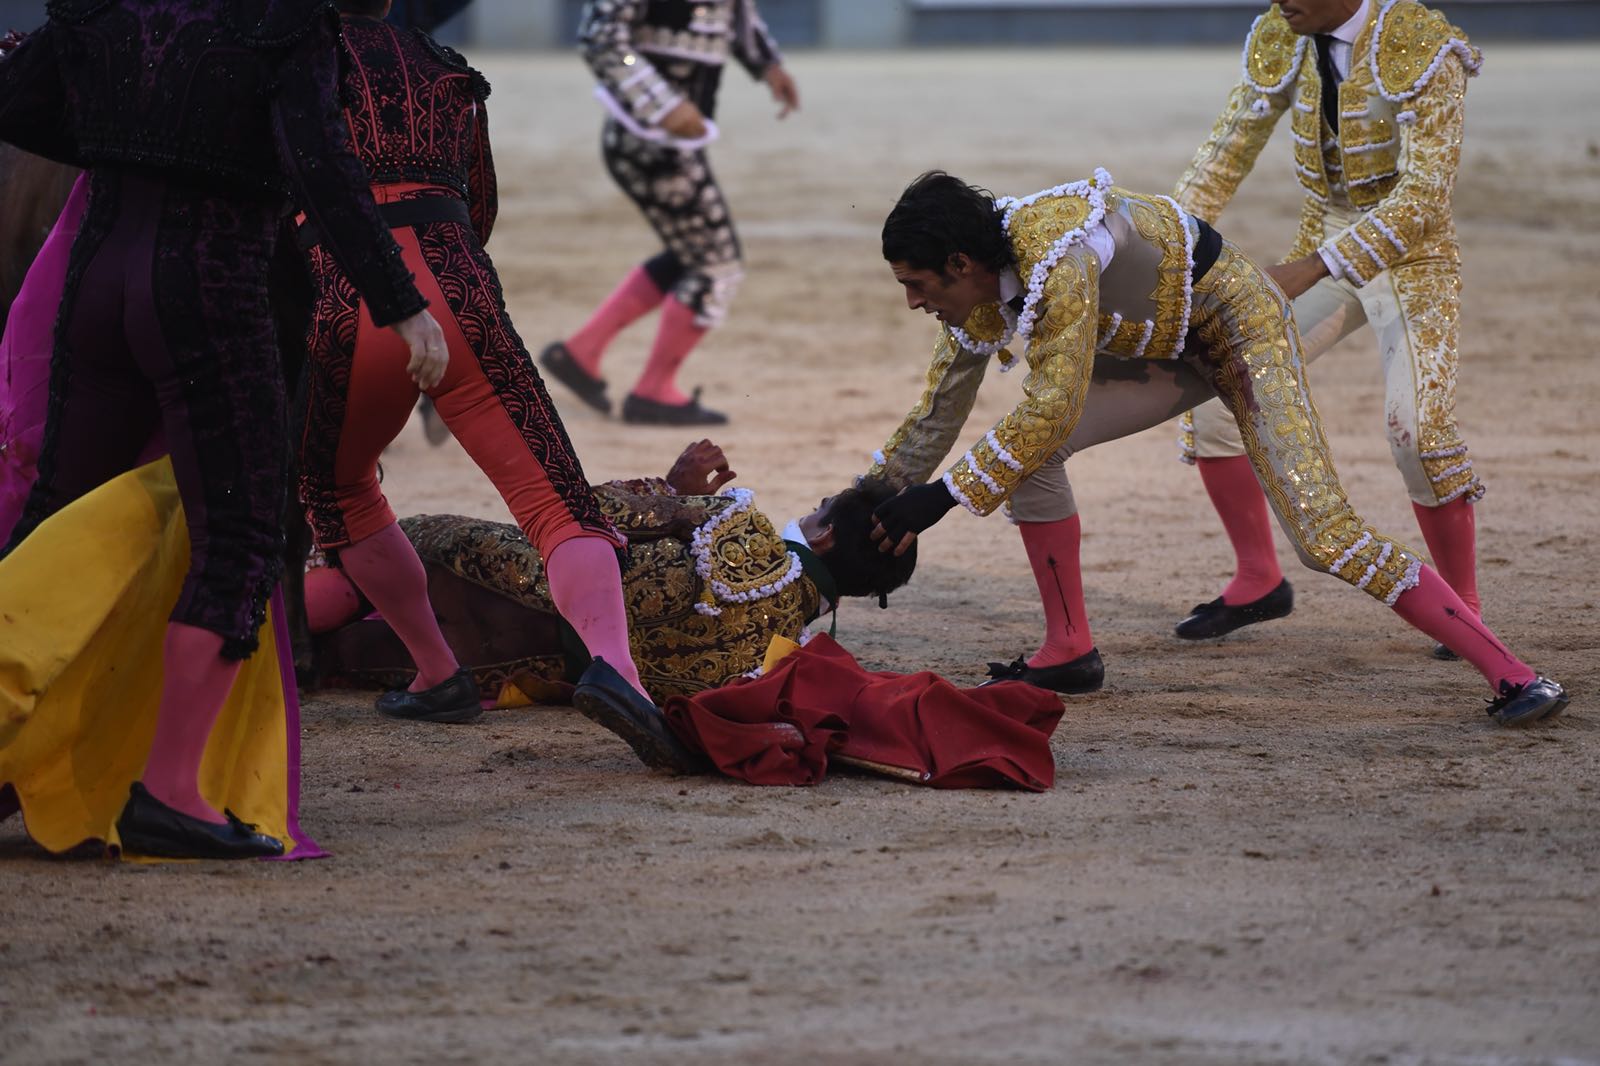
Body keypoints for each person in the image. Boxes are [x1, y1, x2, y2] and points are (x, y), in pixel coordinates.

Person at [863, 170, 1567, 727]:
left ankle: (1516, 675)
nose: (913, 303)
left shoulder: (1061, 257)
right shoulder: (977, 288)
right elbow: (938, 411)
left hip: (1244, 329)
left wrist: (943, 497)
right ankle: (1067, 650)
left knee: (1324, 535)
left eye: (916, 285)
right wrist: (870, 498)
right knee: (1030, 459)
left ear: (959, 262)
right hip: (1164, 349)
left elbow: (1052, 407)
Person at [0, 0, 449, 859]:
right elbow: (321, 167)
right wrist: (400, 304)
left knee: (55, 510)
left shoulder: (106, 5)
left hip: (95, 278)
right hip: (209, 288)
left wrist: (126, 140)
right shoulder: (279, 19)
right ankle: (171, 792)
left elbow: (17, 103)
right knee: (240, 537)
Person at [298, 0, 685, 772]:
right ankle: (618, 669)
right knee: (555, 501)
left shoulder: (291, 60)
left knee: (340, 492)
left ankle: (437, 672)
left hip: (345, 295)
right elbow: (481, 207)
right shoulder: (446, 69)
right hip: (458, 286)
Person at [1169, 0, 1487, 658]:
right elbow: (1224, 155)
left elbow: (1425, 197)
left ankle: (1464, 607)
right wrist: (1162, 247)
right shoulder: (1283, 32)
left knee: (1416, 431)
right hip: (1326, 239)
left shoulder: (1422, 43)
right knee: (1219, 382)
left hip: (1413, 256)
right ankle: (1258, 577)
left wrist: (1316, 266)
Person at [305, 440, 918, 702]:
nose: (805, 513)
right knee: (330, 658)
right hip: (515, 668)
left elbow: (585, 513)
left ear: (824, 534)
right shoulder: (786, 661)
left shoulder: (742, 526)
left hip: (493, 577)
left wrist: (672, 485)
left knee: (361, 562)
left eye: (818, 508)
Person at [539, 0, 799, 425]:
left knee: (692, 254)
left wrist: (768, 66)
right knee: (717, 266)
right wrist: (660, 104)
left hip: (662, 143)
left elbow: (736, 15)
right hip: (650, 141)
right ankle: (653, 391)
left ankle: (581, 353)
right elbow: (600, 36)